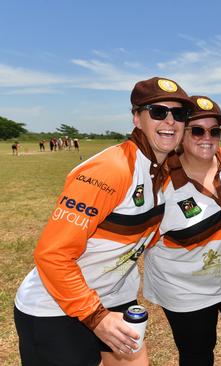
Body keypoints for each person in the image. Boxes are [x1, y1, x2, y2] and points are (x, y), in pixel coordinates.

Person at [14, 76, 193, 366]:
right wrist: (96, 317)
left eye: (180, 114)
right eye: (158, 112)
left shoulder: (163, 170)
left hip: (113, 297)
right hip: (55, 308)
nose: (170, 121)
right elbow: (53, 255)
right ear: (137, 118)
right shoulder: (110, 169)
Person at [144, 95, 221, 366]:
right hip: (184, 290)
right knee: (198, 352)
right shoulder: (160, 182)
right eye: (197, 130)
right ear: (181, 134)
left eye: (214, 131)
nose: (206, 137)